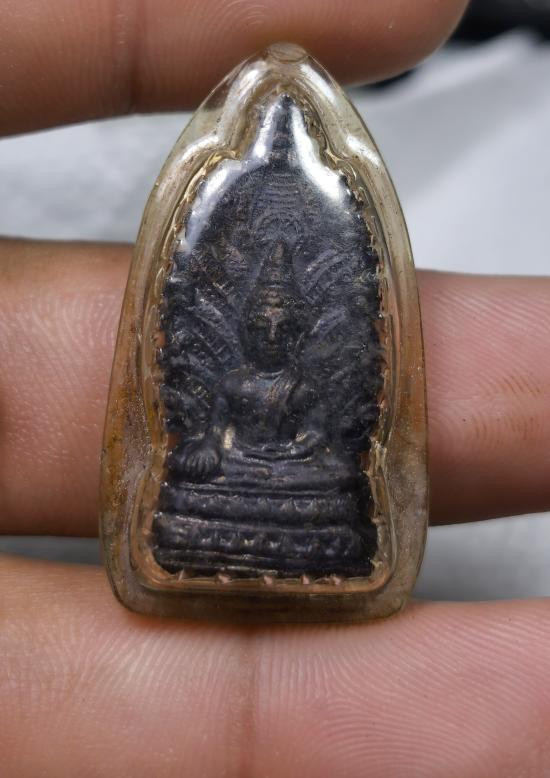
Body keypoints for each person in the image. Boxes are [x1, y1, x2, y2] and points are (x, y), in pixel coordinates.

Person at [2, 1, 550, 775]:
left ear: (298, 324)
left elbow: (326, 445)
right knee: (189, 498)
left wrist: (314, 456)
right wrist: (202, 452)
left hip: (300, 491)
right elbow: (204, 437)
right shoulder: (232, 371)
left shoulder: (299, 376)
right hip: (225, 497)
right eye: (256, 316)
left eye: (279, 318)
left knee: (333, 490)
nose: (266, 326)